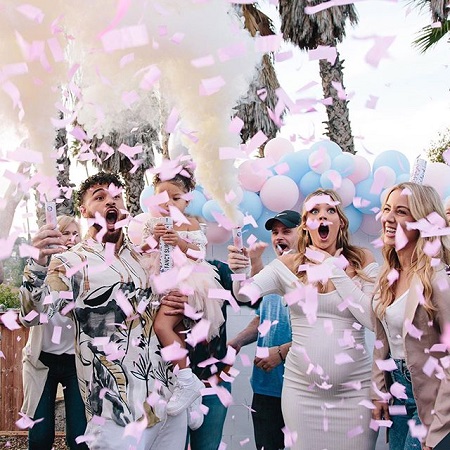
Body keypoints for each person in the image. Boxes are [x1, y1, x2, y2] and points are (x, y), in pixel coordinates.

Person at [20, 172, 187, 450]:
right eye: (100, 197)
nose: (111, 201)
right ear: (84, 211)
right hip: (114, 412)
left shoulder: (146, 256)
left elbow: (165, 316)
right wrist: (37, 264)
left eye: (116, 196)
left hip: (165, 402)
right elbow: (33, 314)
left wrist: (182, 307)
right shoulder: (69, 262)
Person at [229, 188, 378, 450]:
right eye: (313, 212)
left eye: (330, 210)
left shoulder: (361, 258)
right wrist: (240, 271)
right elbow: (243, 294)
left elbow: (372, 319)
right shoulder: (288, 263)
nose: (322, 217)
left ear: (340, 221)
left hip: (355, 391)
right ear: (306, 225)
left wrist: (334, 268)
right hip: (301, 392)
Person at [371, 182, 450, 450]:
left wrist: (437, 428)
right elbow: (382, 341)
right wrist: (380, 391)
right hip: (398, 394)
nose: (389, 219)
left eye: (402, 212)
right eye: (387, 209)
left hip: (429, 399)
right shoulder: (387, 275)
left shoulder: (438, 279)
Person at [142, 164, 224, 421]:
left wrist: (178, 240)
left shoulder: (193, 223)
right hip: (160, 281)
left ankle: (188, 382)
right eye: (162, 198)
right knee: (174, 334)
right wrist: (153, 239)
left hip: (189, 281)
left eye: (175, 198)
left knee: (162, 327)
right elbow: (141, 252)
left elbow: (199, 254)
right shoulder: (152, 224)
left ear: (187, 198)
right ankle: (190, 399)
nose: (169, 204)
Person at [227, 210, 299, 450]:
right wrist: (236, 342)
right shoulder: (272, 274)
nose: (279, 237)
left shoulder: (315, 276)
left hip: (300, 388)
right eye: (275, 232)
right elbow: (263, 318)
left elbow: (320, 334)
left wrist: (280, 353)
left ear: (304, 234)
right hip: (266, 387)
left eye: (286, 231)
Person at [20, 215, 88, 450]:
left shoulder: (88, 270)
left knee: (80, 439)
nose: (71, 239)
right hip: (42, 363)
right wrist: (40, 264)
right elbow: (27, 317)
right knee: (39, 437)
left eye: (75, 234)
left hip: (76, 364)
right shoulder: (38, 269)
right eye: (64, 234)